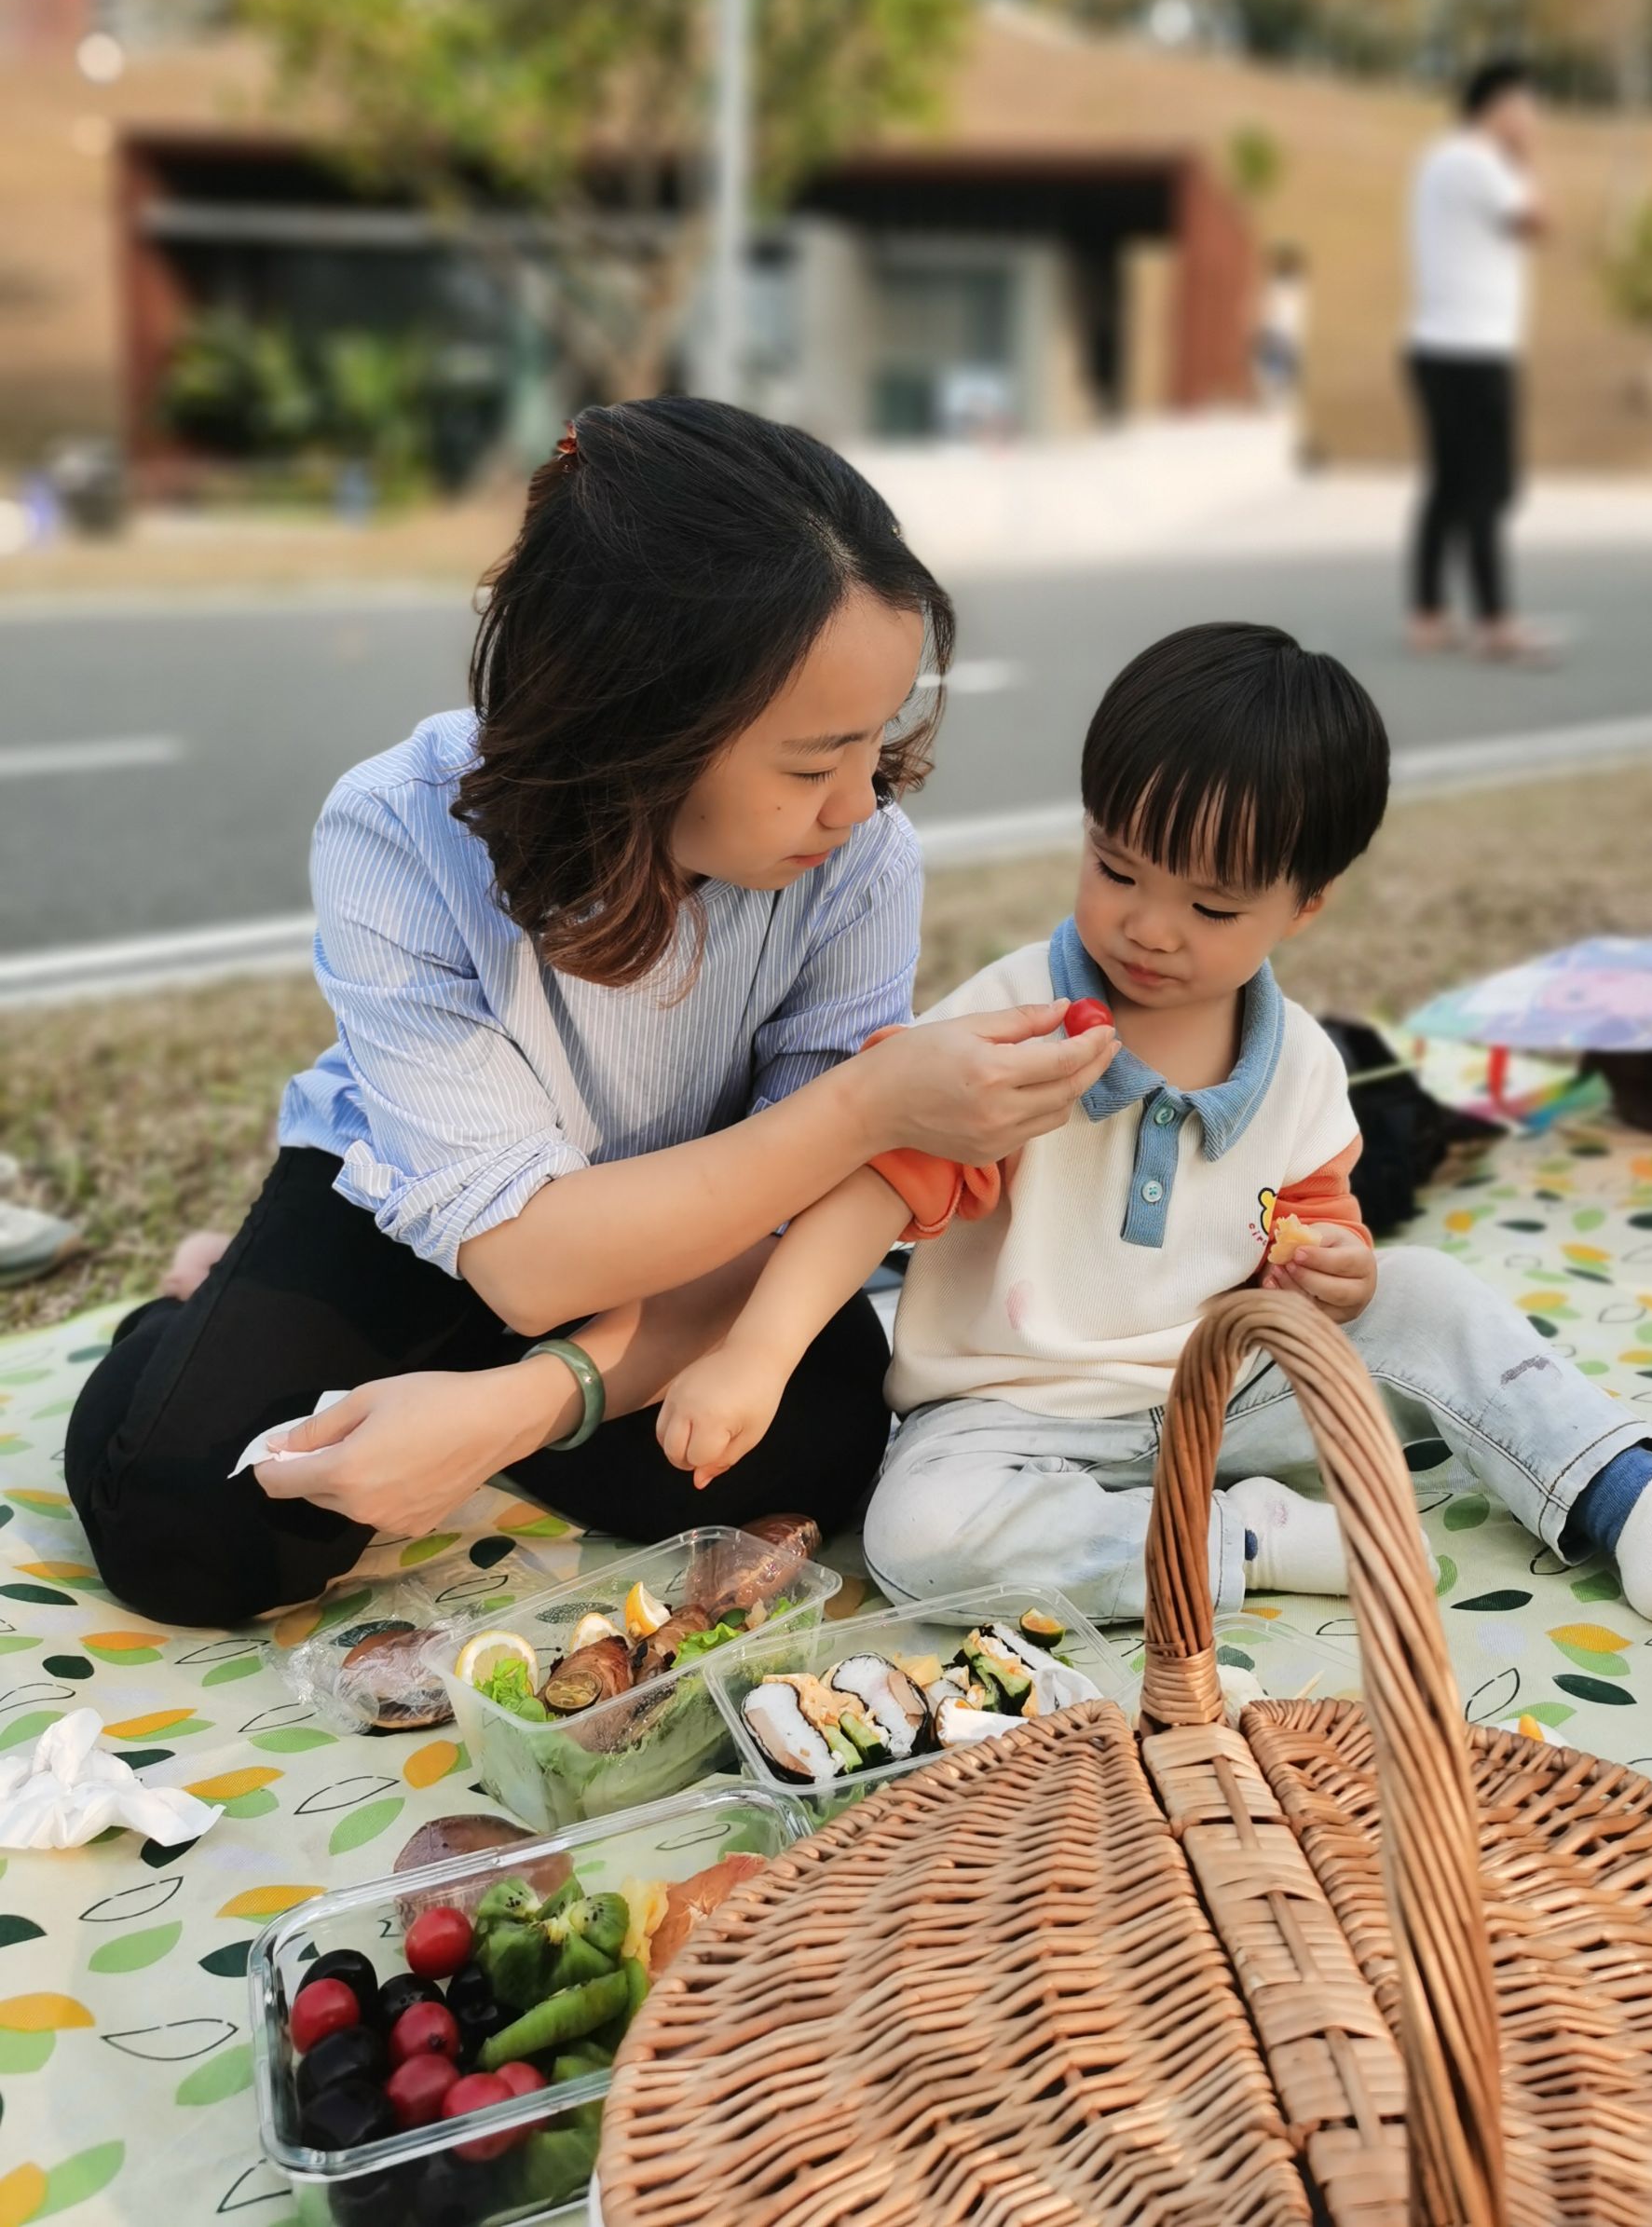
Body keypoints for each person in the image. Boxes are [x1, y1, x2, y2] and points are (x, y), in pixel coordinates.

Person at [62, 398, 1116, 1627]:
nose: (855, 803)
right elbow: (521, 1260)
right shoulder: (397, 830)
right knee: (187, 1523)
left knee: (819, 1446)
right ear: (637, 722)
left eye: (873, 744)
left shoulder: (861, 858)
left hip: (695, 1222)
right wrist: (873, 1101)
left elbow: (791, 1220)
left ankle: (449, 1405)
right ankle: (195, 1313)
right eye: (808, 760)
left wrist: (527, 1402)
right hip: (427, 1208)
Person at [653, 622, 1652, 1628]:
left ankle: (1635, 1507)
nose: (1148, 927)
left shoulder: (1294, 1066)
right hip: (1009, 1417)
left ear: (1304, 904)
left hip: (1221, 1389)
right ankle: (1253, 1541)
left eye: (1211, 904)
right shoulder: (1021, 1025)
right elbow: (874, 1190)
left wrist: (1333, 1271)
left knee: (1430, 1293)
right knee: (919, 1538)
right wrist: (755, 1355)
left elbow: (1312, 1231)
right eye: (1116, 868)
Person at [1404, 56, 1552, 662]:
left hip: (1435, 346)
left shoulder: (1440, 158)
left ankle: (1429, 615)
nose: (1532, 117)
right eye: (1526, 106)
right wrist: (1525, 156)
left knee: (1447, 485)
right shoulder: (1478, 161)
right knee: (1490, 488)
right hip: (1473, 350)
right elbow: (1539, 220)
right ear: (1499, 106)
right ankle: (1496, 622)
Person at [1251, 243, 1308, 411]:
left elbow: (1271, 314)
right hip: (1279, 339)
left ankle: (1276, 405)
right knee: (1276, 383)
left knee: (1276, 382)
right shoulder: (1292, 289)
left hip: (1278, 339)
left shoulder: (1284, 289)